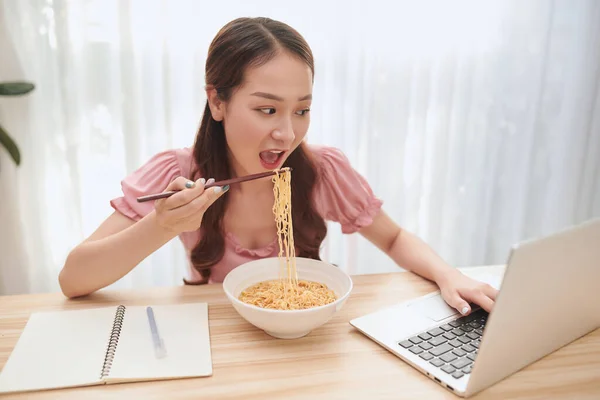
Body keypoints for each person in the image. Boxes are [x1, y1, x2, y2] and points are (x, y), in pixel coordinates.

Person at [58, 17, 498, 316]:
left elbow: (395, 237)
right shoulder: (178, 171)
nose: (288, 134)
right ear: (217, 100)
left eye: (302, 110)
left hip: (305, 335)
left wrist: (448, 275)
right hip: (213, 336)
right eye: (267, 111)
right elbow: (73, 280)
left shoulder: (322, 169)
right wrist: (161, 225)